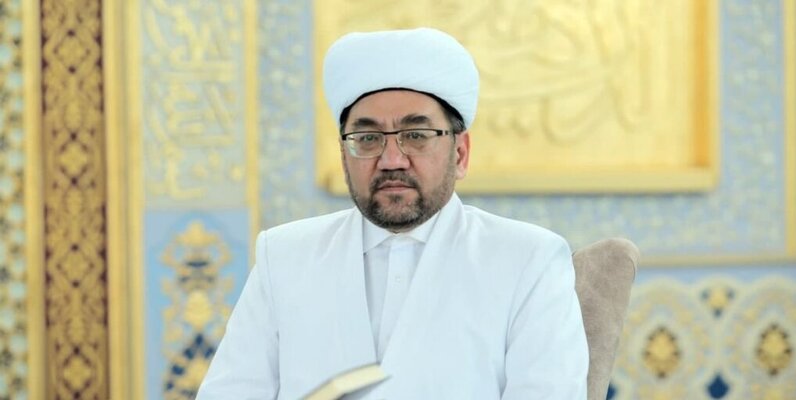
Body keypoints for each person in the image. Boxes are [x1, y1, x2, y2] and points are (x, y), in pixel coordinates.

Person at [197, 27, 588, 399]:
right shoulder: (283, 257)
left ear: (460, 153)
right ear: (344, 155)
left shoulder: (527, 260)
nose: (391, 159)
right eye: (367, 138)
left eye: (416, 136)